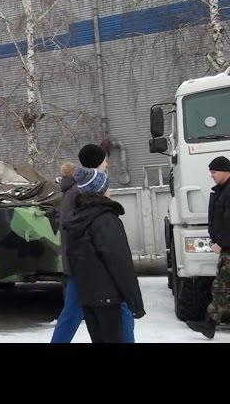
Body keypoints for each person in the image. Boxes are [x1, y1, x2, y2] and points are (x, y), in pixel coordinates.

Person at [51, 144, 135, 343]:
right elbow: (71, 231)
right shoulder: (77, 192)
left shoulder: (85, 189)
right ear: (97, 163)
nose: (107, 163)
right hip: (88, 268)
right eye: (105, 160)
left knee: (74, 315)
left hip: (89, 268)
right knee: (76, 314)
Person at [63, 166, 145, 343]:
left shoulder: (76, 218)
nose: (109, 189)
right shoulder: (106, 219)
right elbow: (120, 262)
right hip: (109, 299)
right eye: (107, 185)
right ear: (100, 189)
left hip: (88, 298)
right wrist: (135, 301)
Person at [186, 156, 230, 339]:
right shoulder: (223, 190)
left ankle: (209, 324)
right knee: (222, 286)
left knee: (222, 287)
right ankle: (209, 324)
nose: (211, 175)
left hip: (227, 246)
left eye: (214, 172)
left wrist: (222, 242)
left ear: (225, 171)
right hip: (226, 247)